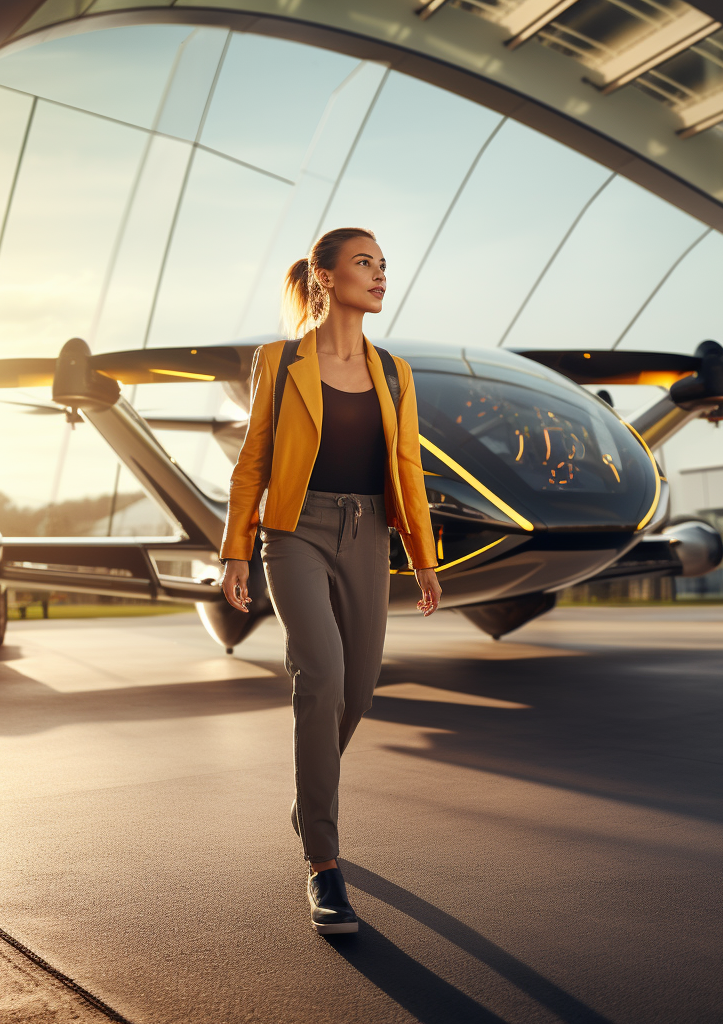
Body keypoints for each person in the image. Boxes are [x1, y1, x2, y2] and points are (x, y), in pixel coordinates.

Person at [219, 226, 441, 935]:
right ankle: (324, 864)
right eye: (364, 263)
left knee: (361, 688)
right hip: (296, 532)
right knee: (320, 676)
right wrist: (236, 549)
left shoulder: (396, 372)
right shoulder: (279, 361)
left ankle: (305, 799)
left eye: (383, 265)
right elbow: (254, 458)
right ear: (324, 276)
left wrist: (424, 555)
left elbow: (407, 468)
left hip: (370, 532)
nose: (379, 275)